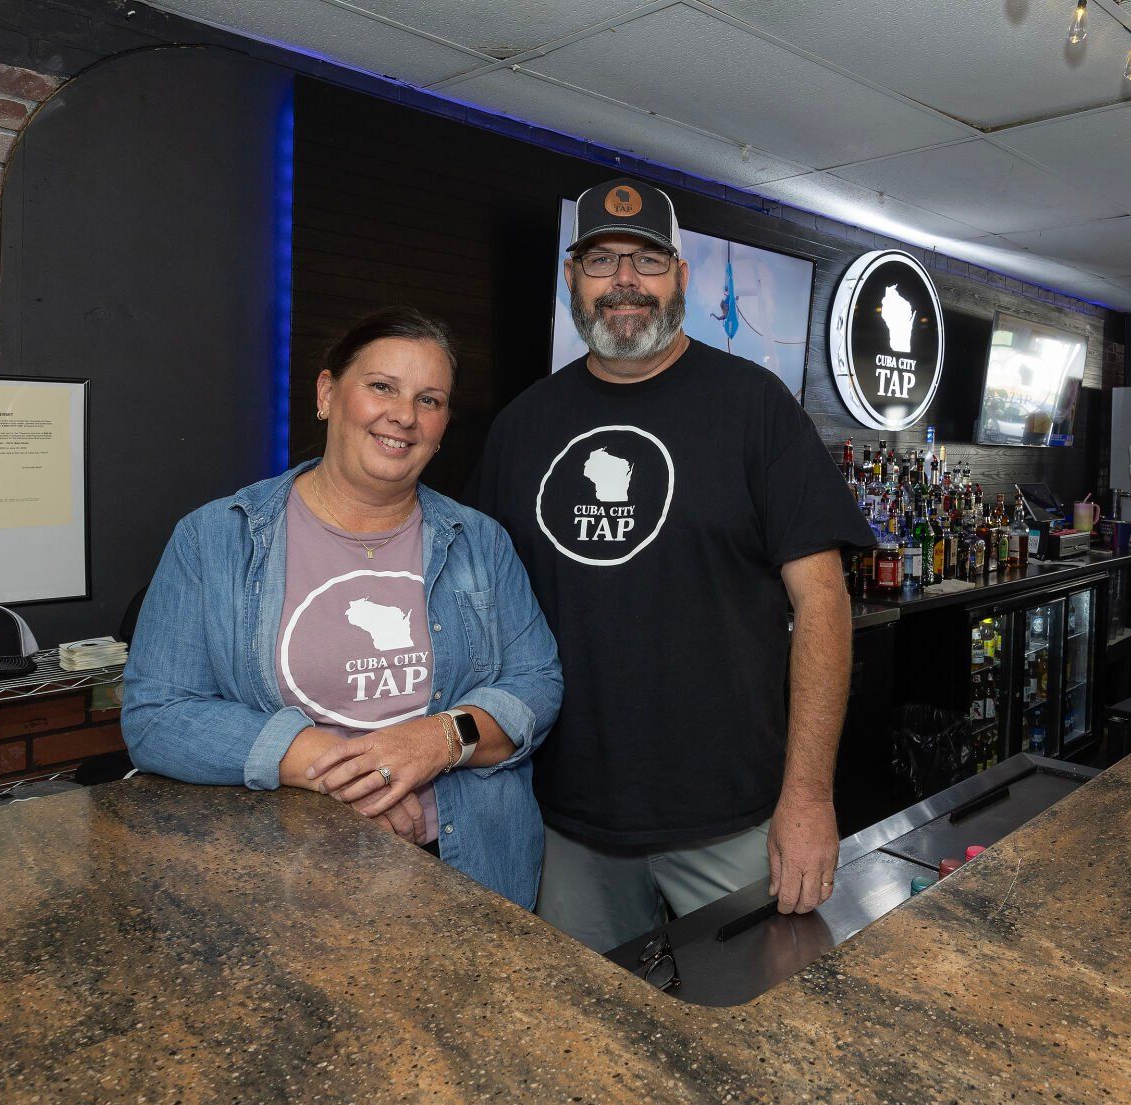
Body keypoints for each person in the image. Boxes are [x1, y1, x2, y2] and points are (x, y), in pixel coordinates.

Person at [468, 178, 877, 953]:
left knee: (761, 1038)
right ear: (571, 281)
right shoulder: (520, 430)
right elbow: (481, 619)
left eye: (648, 260)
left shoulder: (756, 409)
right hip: (568, 824)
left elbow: (823, 604)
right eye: (602, 260)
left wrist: (809, 797)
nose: (625, 280)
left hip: (733, 816)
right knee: (591, 1048)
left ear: (681, 277)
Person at [123, 308, 563, 907]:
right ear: (328, 393)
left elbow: (536, 681)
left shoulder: (479, 541)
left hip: (471, 865)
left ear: (443, 424)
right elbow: (157, 716)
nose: (404, 416)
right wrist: (343, 770)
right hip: (282, 874)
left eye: (428, 400)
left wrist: (438, 739)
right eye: (382, 386)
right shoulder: (216, 538)